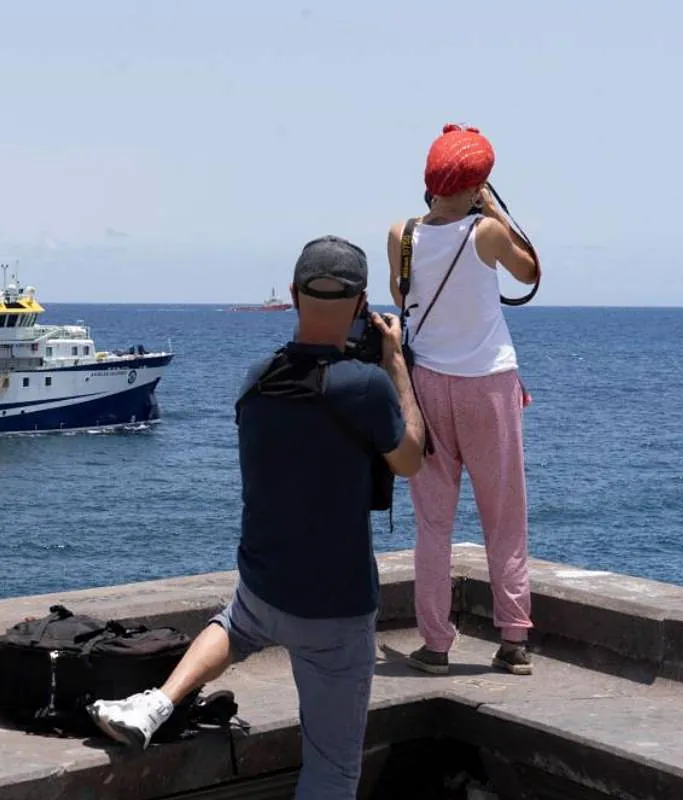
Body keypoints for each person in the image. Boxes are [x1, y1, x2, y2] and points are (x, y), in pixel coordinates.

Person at [87, 236, 426, 799]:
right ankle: (161, 703)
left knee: (235, 625)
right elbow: (410, 459)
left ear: (293, 295)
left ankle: (159, 702)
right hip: (335, 611)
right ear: (363, 303)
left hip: (266, 588)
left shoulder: (257, 378)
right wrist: (394, 364)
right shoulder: (367, 386)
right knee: (333, 770)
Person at [385, 124, 541, 677]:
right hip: (489, 385)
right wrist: (493, 207)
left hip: (427, 387)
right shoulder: (486, 233)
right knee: (505, 519)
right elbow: (529, 270)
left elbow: (403, 298)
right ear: (477, 184)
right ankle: (514, 638)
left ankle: (435, 645)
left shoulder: (401, 233)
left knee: (433, 523)